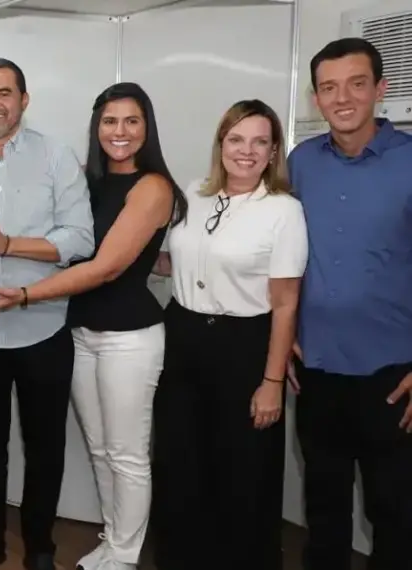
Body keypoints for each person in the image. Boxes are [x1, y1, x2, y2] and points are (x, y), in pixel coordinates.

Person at [0, 82, 184, 570]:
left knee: (127, 453)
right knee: (101, 448)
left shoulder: (152, 186)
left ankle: (126, 555)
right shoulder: (88, 182)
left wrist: (25, 294)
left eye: (132, 121)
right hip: (83, 332)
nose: (120, 132)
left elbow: (106, 267)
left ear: (147, 128)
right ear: (96, 128)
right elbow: (67, 241)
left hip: (130, 337)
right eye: (109, 121)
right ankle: (113, 540)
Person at [0, 58, 94, 570]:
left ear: (23, 100)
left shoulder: (57, 157)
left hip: (42, 327)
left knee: (45, 447)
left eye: (2, 93)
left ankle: (41, 548)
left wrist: (7, 244)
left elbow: (79, 241)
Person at [149, 99, 306, 570]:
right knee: (179, 465)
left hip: (244, 347)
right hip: (182, 338)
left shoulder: (283, 211)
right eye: (236, 139)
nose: (247, 151)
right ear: (220, 144)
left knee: (243, 473)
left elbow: (285, 304)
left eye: (260, 141)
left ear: (274, 150)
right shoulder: (193, 195)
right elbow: (173, 262)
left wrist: (272, 381)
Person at [289, 37, 412, 570]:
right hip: (315, 370)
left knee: (397, 513)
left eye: (356, 84)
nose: (343, 98)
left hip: (393, 376)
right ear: (316, 98)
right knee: (325, 511)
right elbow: (281, 256)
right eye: (329, 87)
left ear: (380, 90)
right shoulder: (298, 162)